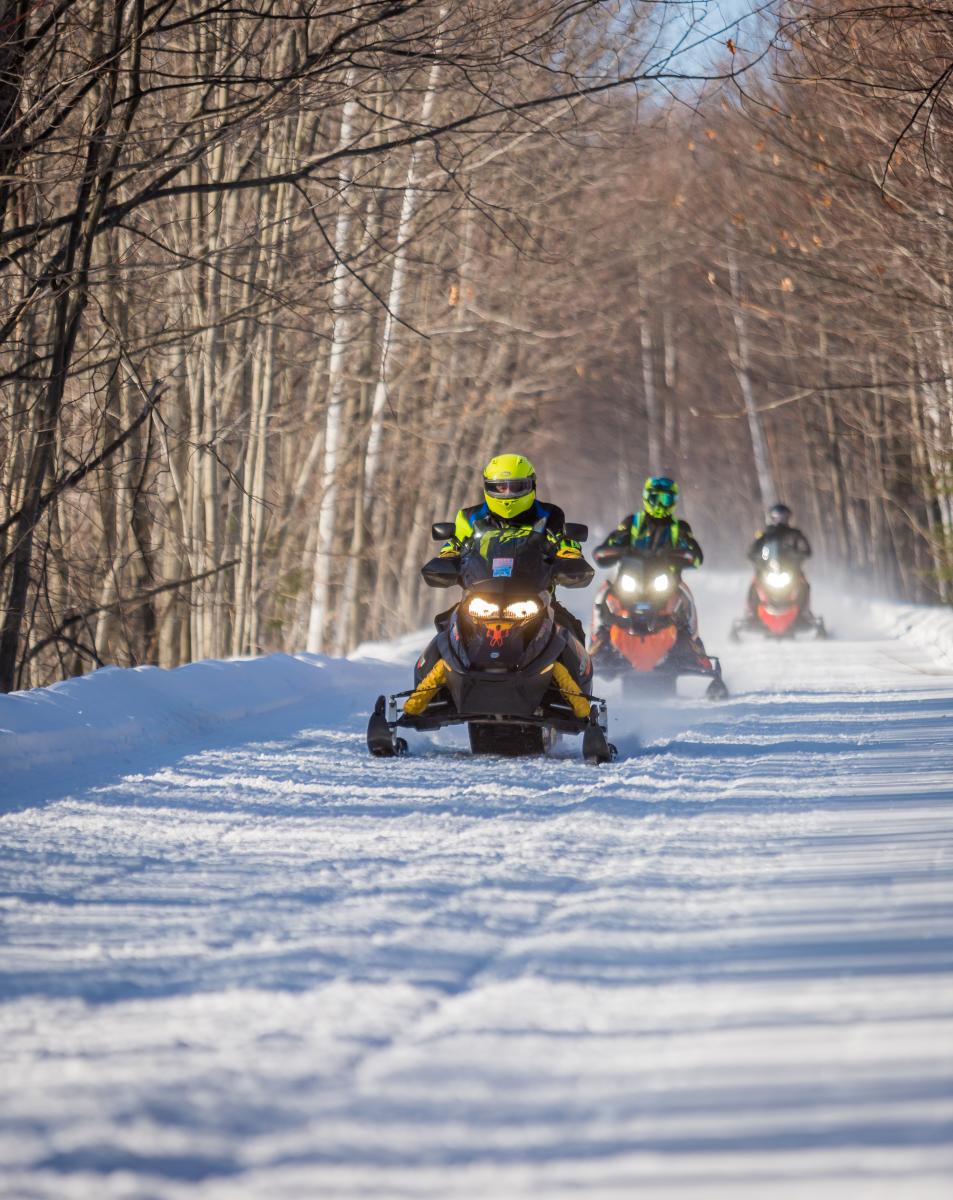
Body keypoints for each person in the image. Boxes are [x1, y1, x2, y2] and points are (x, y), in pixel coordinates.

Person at [424, 452, 592, 645]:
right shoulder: (469, 517)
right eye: (501, 487)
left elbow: (565, 541)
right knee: (444, 637)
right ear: (488, 487)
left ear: (531, 486)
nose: (507, 494)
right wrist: (446, 559)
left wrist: (570, 557)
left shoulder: (550, 514)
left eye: (516, 487)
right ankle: (428, 674)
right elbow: (454, 544)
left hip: (536, 598)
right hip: (479, 599)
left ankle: (579, 674)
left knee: (571, 633)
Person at [589, 475, 710, 668]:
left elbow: (696, 556)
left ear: (674, 501)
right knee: (605, 590)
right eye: (657, 499)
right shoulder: (632, 523)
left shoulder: (679, 528)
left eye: (667, 500)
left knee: (685, 593)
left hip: (666, 583)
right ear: (647, 498)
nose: (661, 505)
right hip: (631, 578)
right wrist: (617, 550)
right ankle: (598, 638)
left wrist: (680, 554)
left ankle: (694, 644)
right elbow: (610, 544)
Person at [745, 502, 813, 618]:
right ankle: (752, 610)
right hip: (769, 568)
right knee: (755, 583)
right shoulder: (765, 535)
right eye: (777, 517)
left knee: (804, 584)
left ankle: (804, 610)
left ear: (787, 518)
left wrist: (799, 556)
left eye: (783, 517)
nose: (780, 520)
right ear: (772, 518)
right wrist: (758, 559)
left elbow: (806, 549)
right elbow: (753, 550)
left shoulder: (794, 534)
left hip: (790, 568)